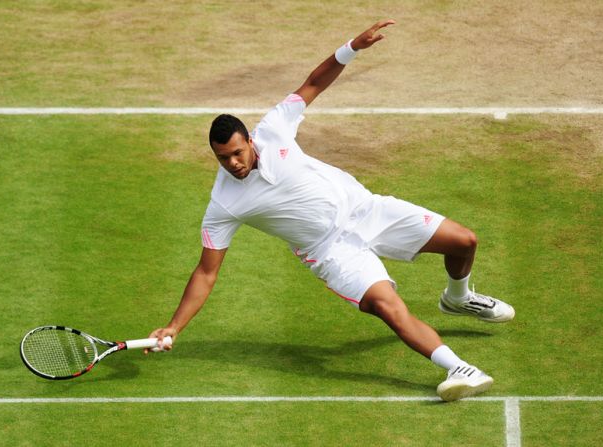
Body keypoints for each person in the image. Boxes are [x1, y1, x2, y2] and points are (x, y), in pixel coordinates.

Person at [145, 19, 515, 402]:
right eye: (223, 158)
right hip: (331, 252)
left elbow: (313, 83)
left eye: (237, 153)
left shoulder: (274, 128)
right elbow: (206, 272)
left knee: (464, 241)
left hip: (366, 210)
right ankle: (458, 367)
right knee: (388, 306)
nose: (233, 163)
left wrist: (352, 46)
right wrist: (175, 326)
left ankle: (458, 297)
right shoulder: (223, 203)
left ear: (250, 141)